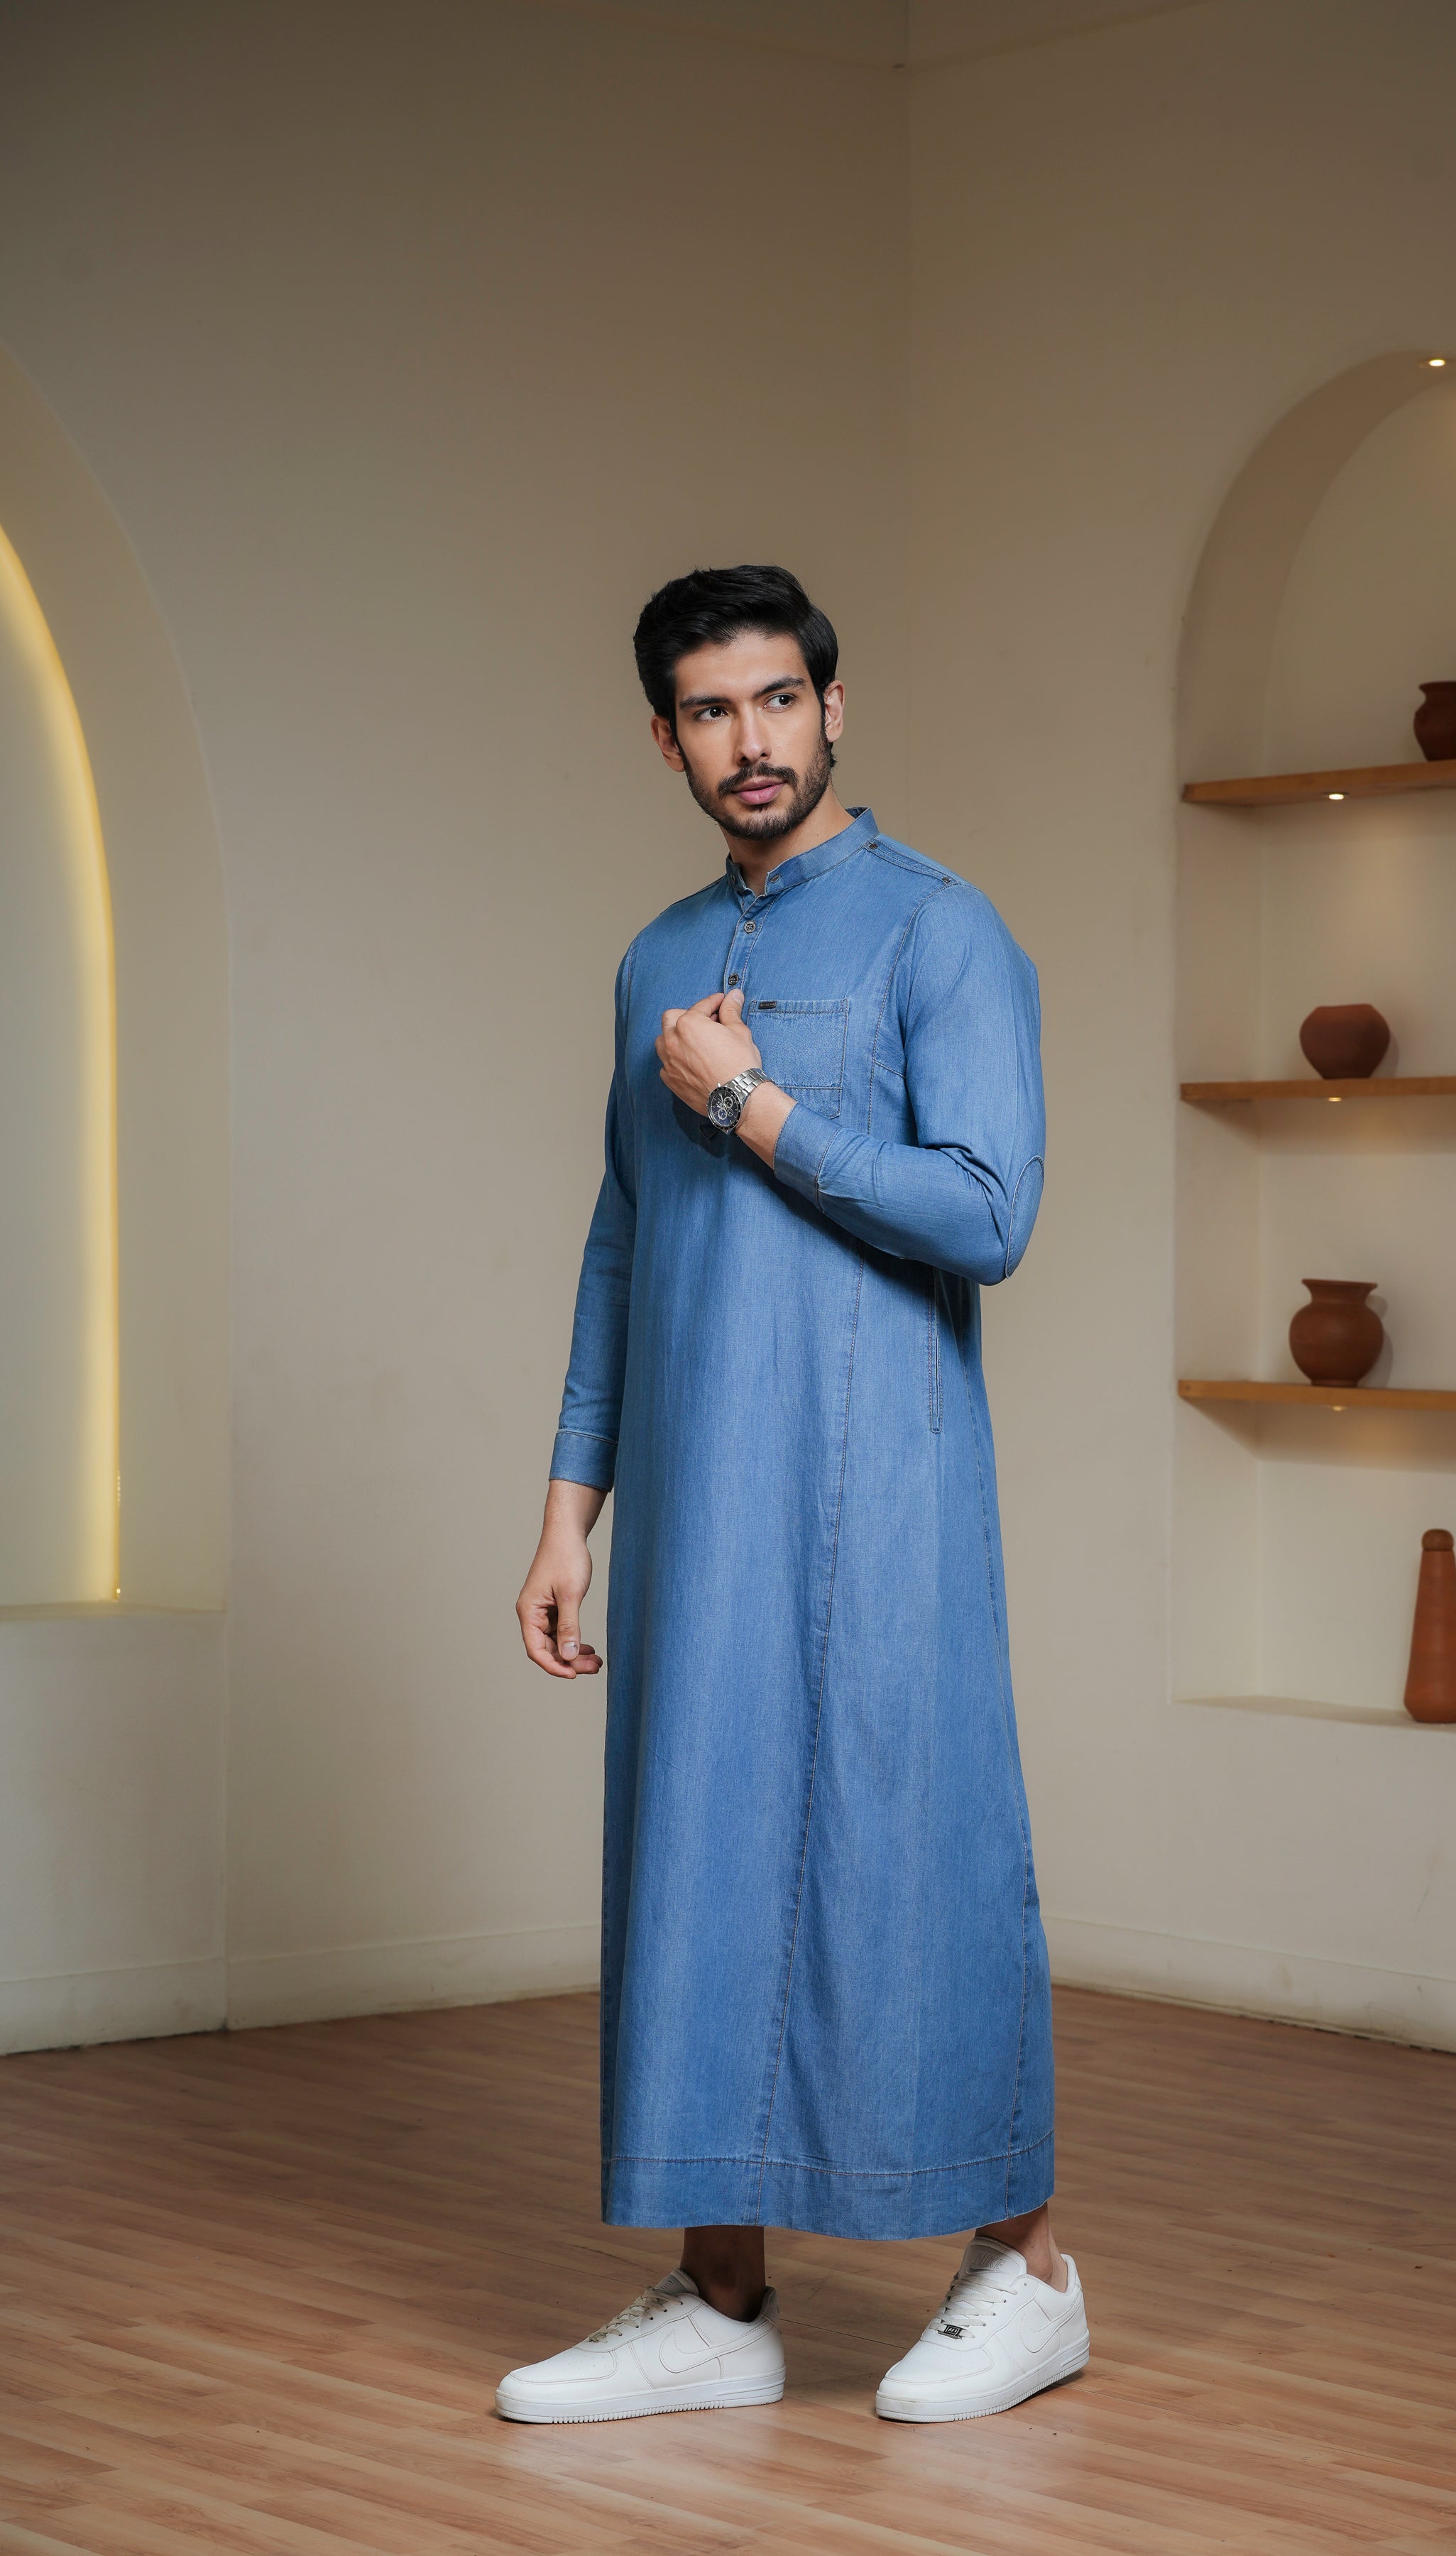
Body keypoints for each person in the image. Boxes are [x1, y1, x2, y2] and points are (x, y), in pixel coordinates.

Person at [499, 566, 1086, 2426]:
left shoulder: (943, 932)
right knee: (698, 1855)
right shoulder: (654, 959)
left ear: (834, 709)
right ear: (663, 737)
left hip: (882, 1492)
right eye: (708, 710)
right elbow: (621, 1238)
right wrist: (570, 1504)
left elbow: (987, 1214)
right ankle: (721, 2299)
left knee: (916, 1856)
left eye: (775, 700)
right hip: (699, 1499)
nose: (747, 741)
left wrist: (757, 1107)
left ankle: (1029, 2269)